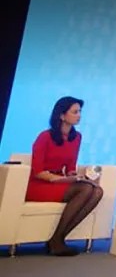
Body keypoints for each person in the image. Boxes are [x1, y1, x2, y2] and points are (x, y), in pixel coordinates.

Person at [25, 96, 104, 257]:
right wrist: (58, 179)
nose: (79, 115)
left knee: (97, 191)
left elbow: (70, 168)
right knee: (85, 190)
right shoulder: (45, 137)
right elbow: (38, 171)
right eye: (75, 112)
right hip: (40, 184)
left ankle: (58, 238)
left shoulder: (77, 137)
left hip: (60, 181)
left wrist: (76, 176)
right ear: (62, 115)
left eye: (80, 112)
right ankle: (56, 241)